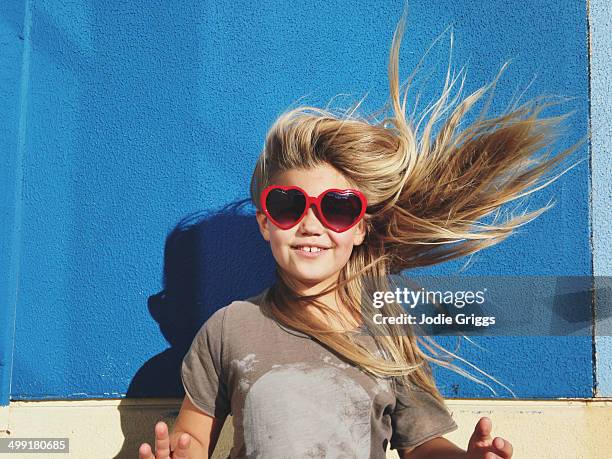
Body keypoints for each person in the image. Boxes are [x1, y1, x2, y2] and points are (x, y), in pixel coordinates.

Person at [138, 8, 582, 459]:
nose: (311, 223)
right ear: (266, 222)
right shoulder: (229, 327)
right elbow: (192, 439)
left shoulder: (387, 331)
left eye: (337, 208)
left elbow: (423, 443)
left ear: (359, 228)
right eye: (289, 206)